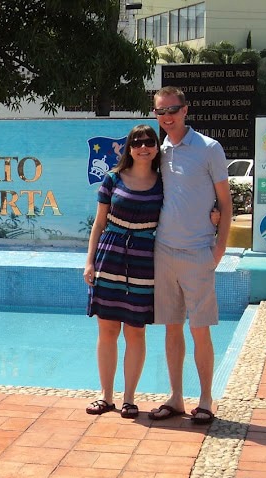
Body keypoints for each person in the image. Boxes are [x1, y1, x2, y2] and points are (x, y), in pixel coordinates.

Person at [148, 86, 232, 425]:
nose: (167, 116)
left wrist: (219, 249)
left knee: (200, 329)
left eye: (173, 109)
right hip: (164, 251)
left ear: (186, 110)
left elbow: (225, 204)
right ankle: (175, 397)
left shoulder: (209, 148)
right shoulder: (159, 151)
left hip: (199, 252)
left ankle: (207, 400)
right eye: (160, 111)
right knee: (171, 327)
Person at [84, 124, 163, 419]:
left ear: (156, 148)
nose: (144, 147)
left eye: (149, 142)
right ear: (129, 148)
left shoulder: (163, 183)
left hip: (144, 261)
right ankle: (106, 396)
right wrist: (89, 261)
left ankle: (129, 398)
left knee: (135, 331)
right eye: (137, 142)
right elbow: (99, 223)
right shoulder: (112, 179)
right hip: (110, 256)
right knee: (107, 330)